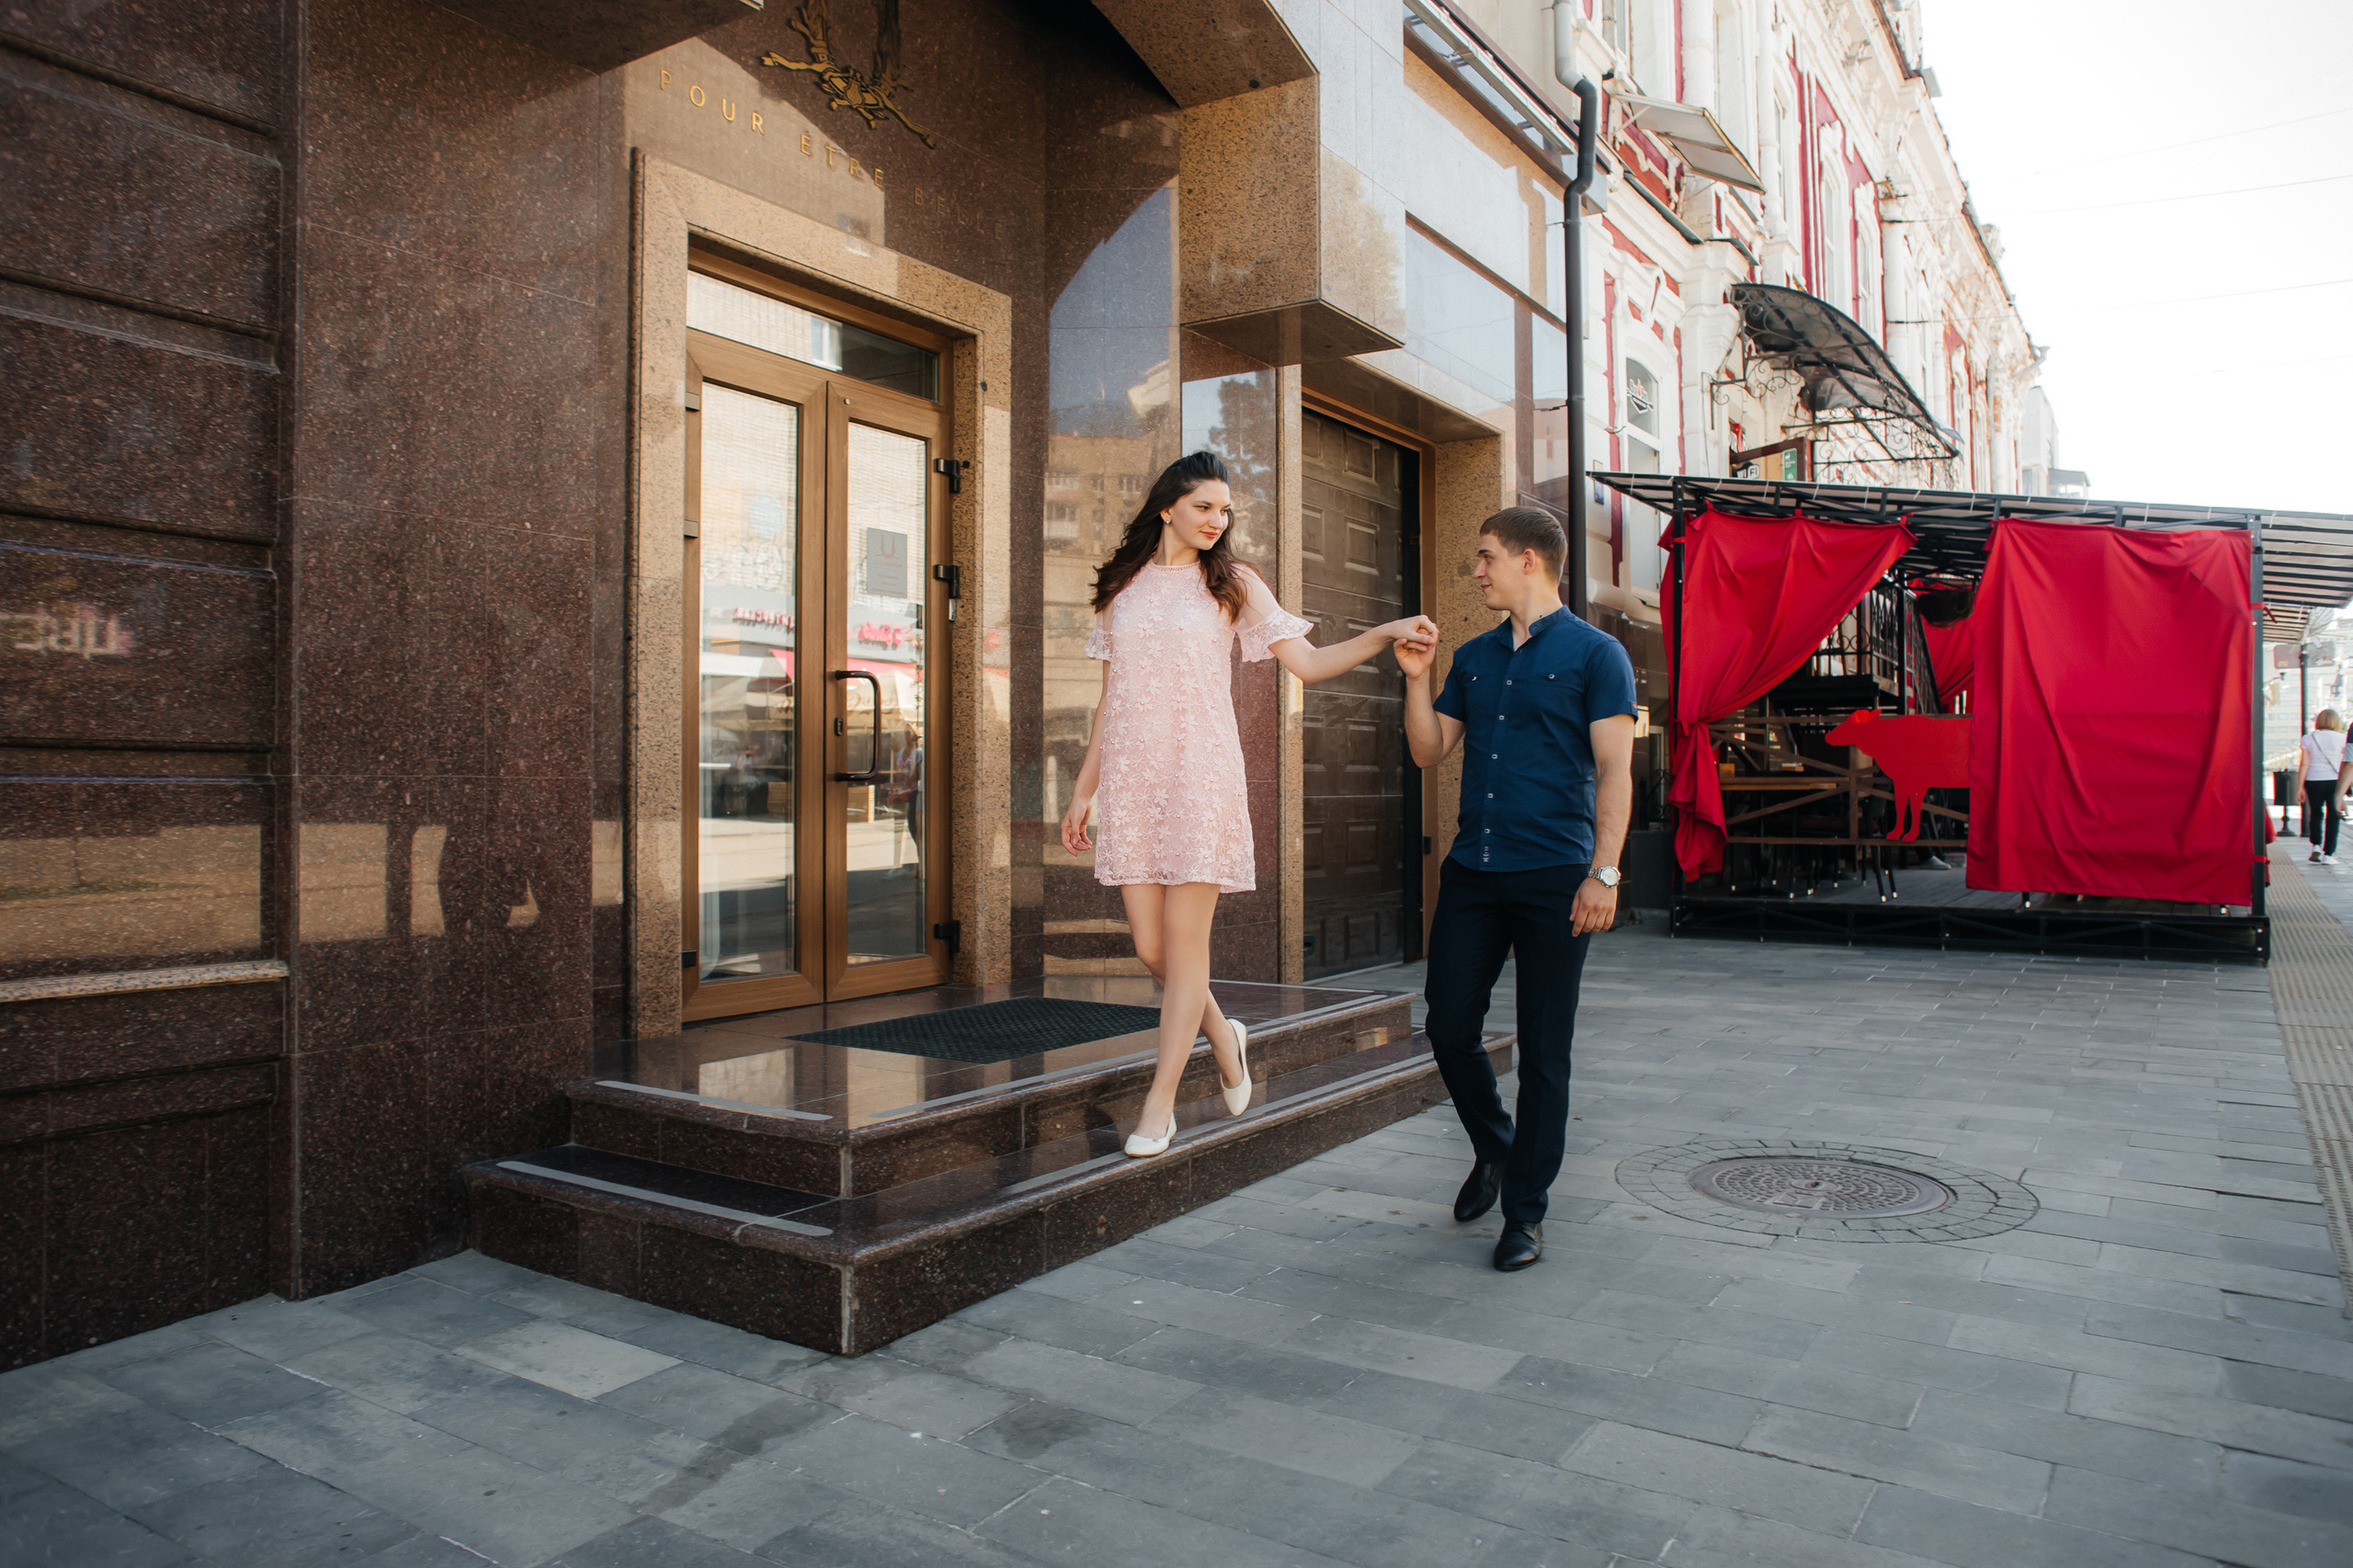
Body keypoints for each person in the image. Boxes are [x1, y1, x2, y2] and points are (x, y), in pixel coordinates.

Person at [1061, 451, 1437, 1157]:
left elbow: (1311, 664)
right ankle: (1227, 1039)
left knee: (1185, 946)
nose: (1218, 520)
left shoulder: (1232, 583)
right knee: (1151, 948)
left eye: (1226, 510)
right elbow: (1111, 700)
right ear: (1167, 506)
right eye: (1206, 506)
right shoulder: (1123, 588)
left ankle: (1160, 1105)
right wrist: (1085, 791)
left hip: (1201, 773)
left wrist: (1386, 634)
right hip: (1136, 781)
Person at [1398, 507, 1637, 1271]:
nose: (1477, 570)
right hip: (1474, 870)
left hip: (1553, 879)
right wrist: (1416, 678)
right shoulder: (1472, 658)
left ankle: (1525, 1213)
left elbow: (1616, 773)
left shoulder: (1599, 656)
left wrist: (1604, 872)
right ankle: (1496, 1147)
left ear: (1530, 561)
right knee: (1447, 1024)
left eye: (1486, 557)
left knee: (1545, 1050)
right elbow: (1430, 750)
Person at [2300, 710, 2345, 864]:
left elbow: (2305, 763)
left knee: (2316, 814)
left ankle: (2316, 847)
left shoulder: (2308, 738)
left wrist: (2300, 787)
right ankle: (2328, 854)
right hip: (2335, 780)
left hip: (2313, 780)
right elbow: (2346, 763)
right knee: (2333, 816)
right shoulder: (2342, 738)